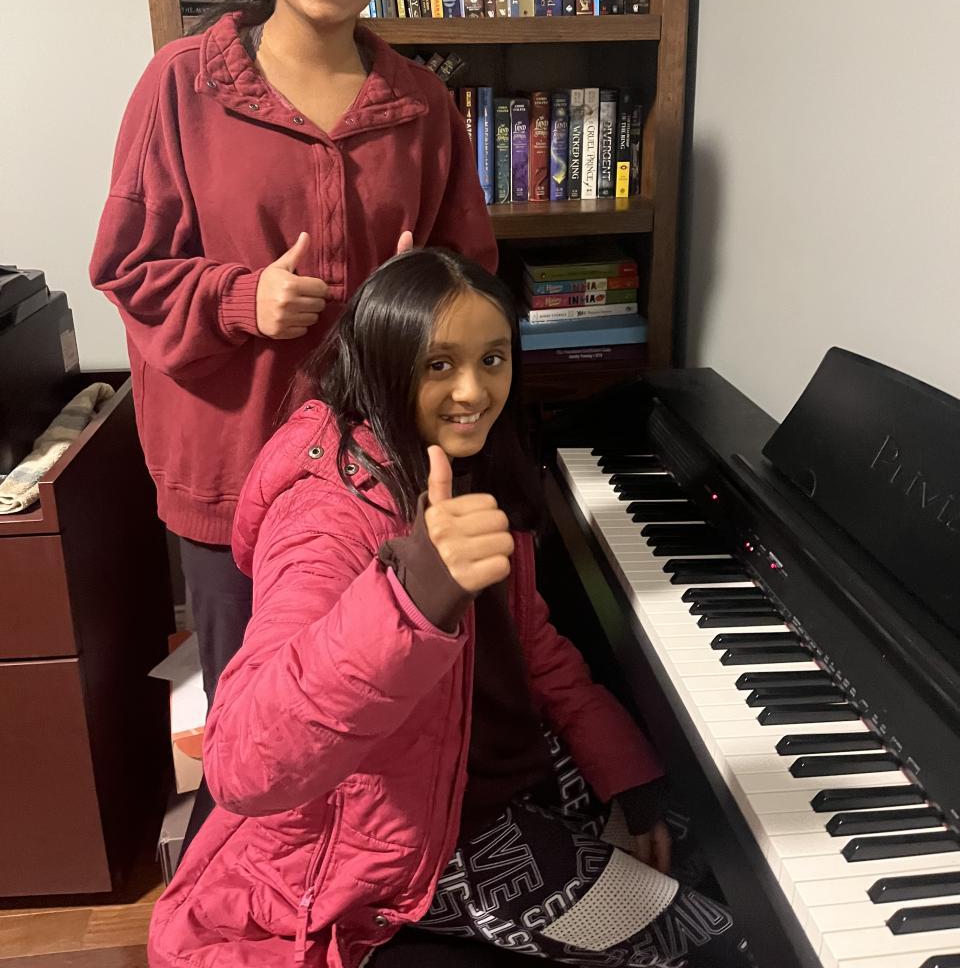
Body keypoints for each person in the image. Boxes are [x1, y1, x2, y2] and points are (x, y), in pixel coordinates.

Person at [147, 249, 748, 968]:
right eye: (439, 364)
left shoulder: (468, 461)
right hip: (413, 836)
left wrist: (628, 771)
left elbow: (531, 643)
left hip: (485, 769)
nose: (473, 391)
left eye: (493, 359)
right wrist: (410, 599)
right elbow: (243, 762)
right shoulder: (324, 515)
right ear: (383, 366)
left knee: (717, 840)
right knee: (705, 938)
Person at [90, 0, 496, 726]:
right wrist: (242, 298)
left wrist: (423, 294)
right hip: (232, 467)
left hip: (381, 466)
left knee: (376, 712)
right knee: (256, 725)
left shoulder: (424, 105)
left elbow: (473, 276)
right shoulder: (181, 85)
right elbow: (127, 266)